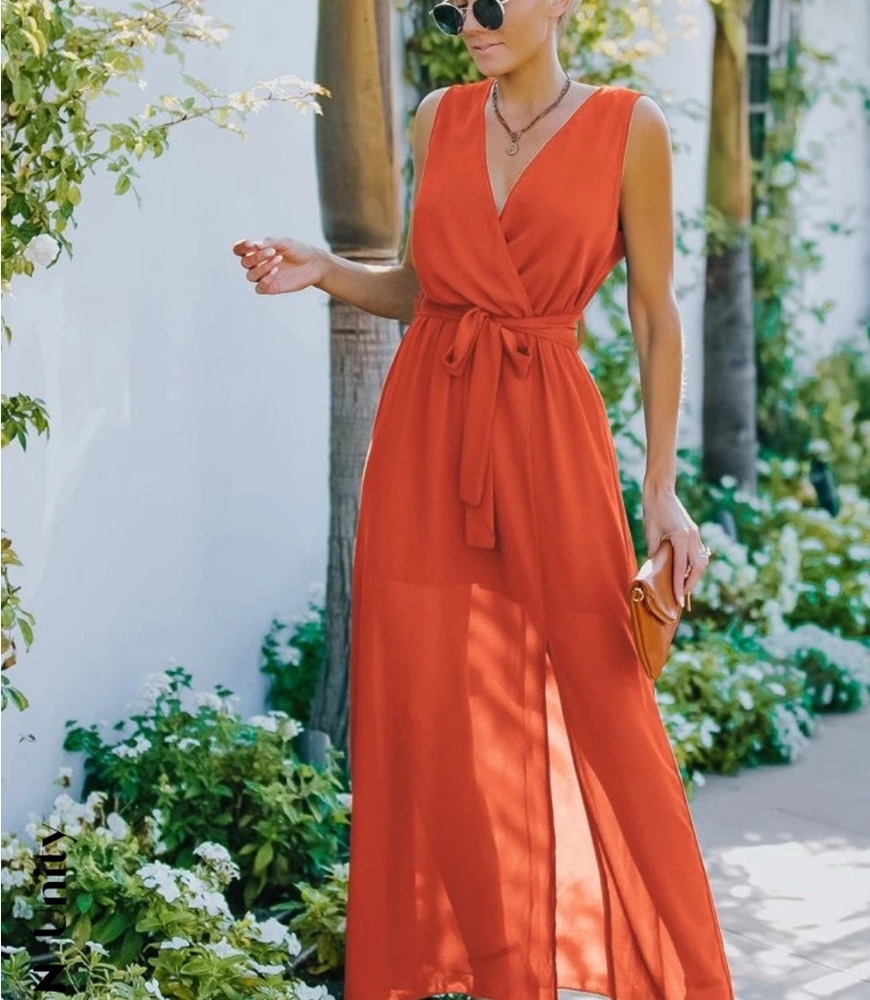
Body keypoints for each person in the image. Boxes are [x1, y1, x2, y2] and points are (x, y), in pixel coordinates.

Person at [232, 1, 735, 998]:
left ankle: (686, 974)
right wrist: (329, 270)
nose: (471, 18)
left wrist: (663, 490)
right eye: (458, 3)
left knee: (605, 697)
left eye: (495, 3)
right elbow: (435, 288)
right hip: (425, 435)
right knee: (428, 709)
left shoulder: (629, 126)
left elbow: (653, 309)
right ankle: (500, 974)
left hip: (549, 433)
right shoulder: (436, 119)